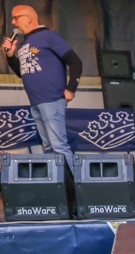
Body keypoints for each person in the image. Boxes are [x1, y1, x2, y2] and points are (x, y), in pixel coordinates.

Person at [3, 4, 82, 161]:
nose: (13, 22)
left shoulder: (48, 36)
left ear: (28, 19)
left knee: (58, 146)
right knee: (48, 147)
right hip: (36, 103)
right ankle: (56, 184)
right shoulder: (24, 44)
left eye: (15, 18)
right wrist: (11, 55)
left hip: (52, 99)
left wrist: (71, 87)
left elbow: (75, 61)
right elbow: (23, 72)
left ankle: (70, 185)